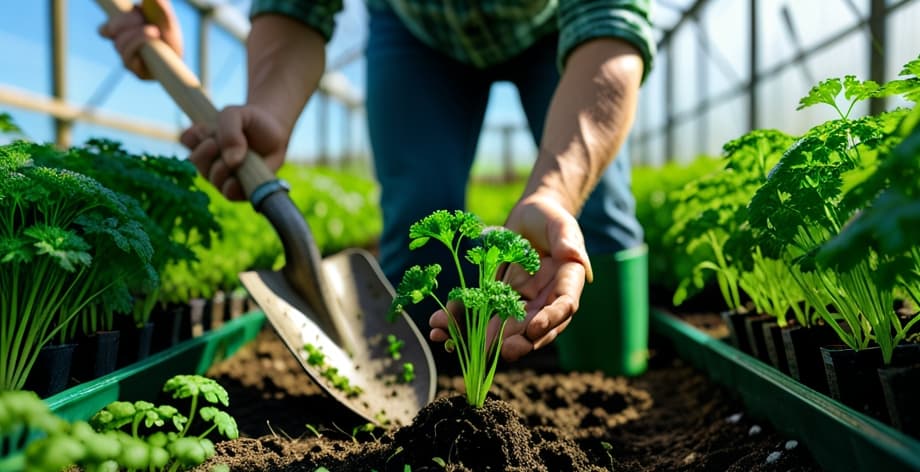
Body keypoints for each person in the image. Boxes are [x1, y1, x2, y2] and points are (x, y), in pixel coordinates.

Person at [101, 0, 654, 366]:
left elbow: (613, 25)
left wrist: (553, 192)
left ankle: (615, 381)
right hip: (416, 31)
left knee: (592, 220)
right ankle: (424, 390)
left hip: (561, 23)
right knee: (421, 214)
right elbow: (296, 7)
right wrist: (269, 107)